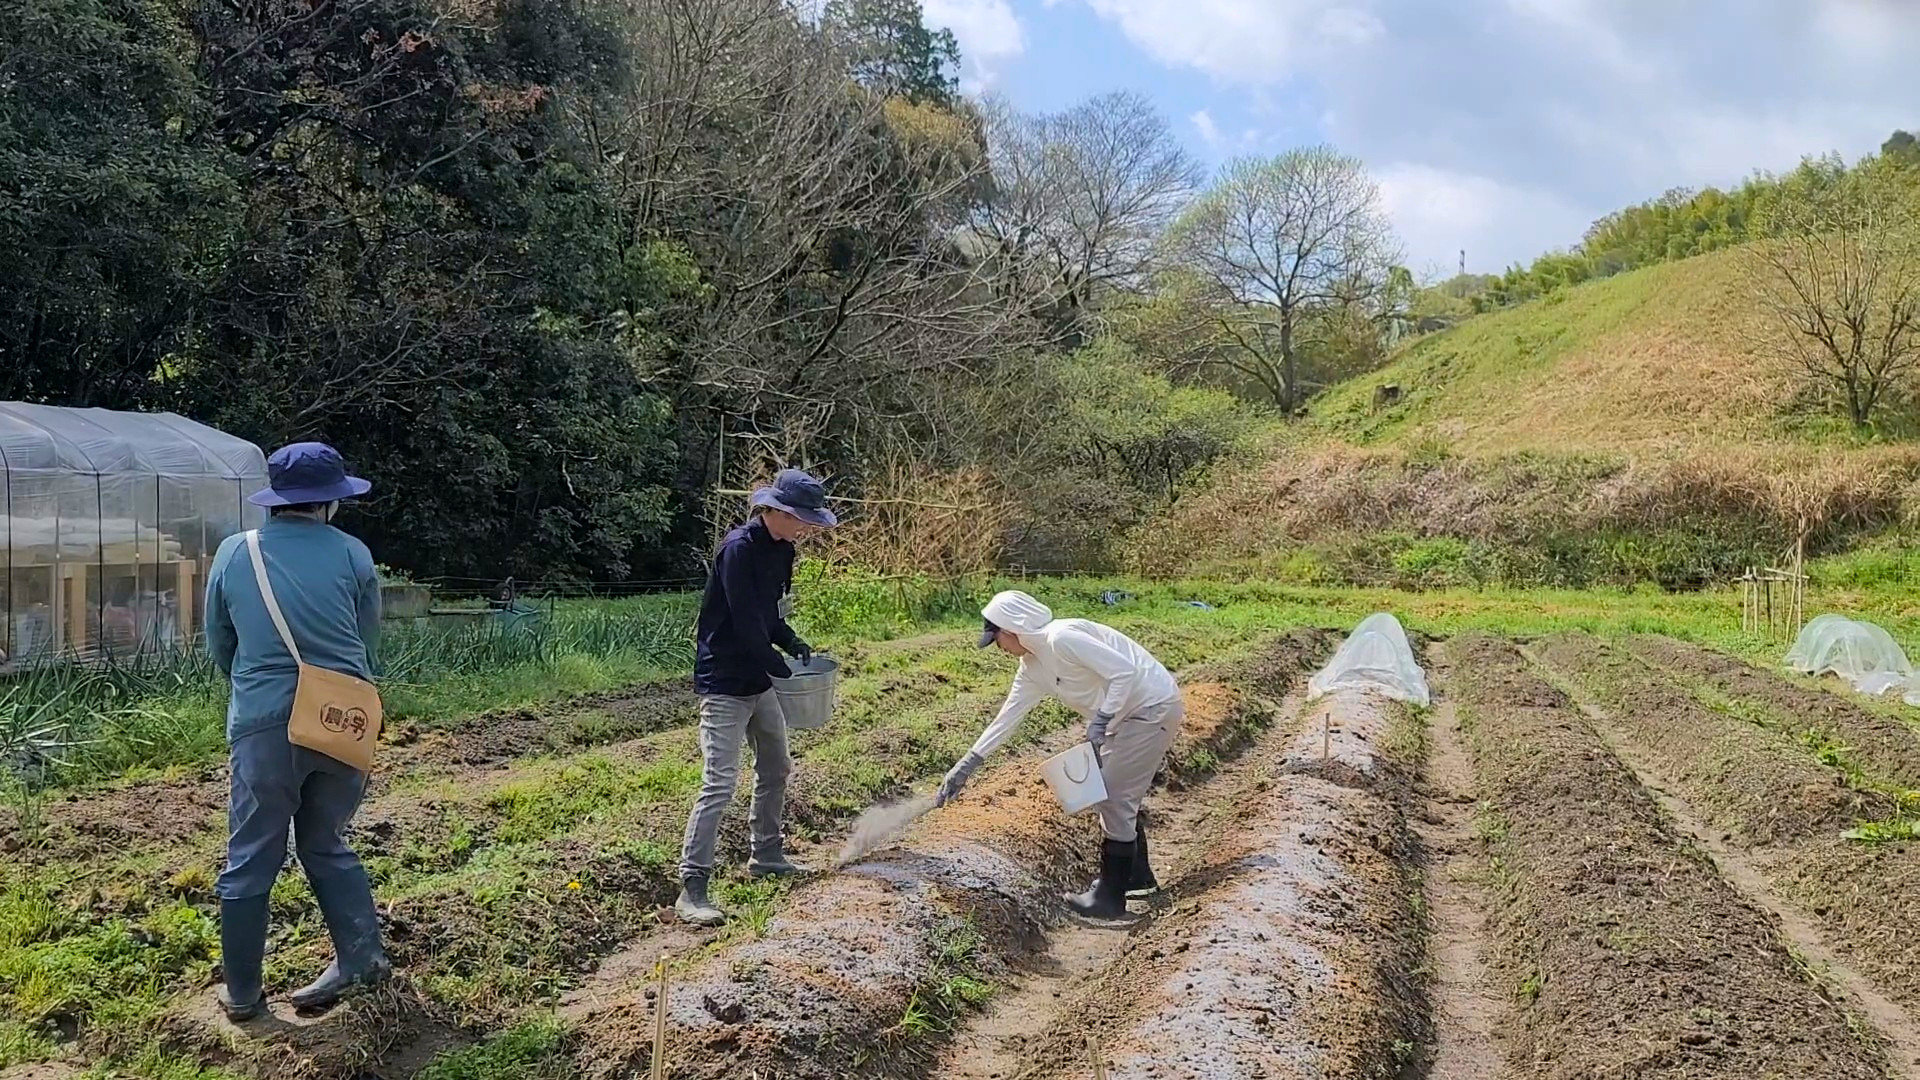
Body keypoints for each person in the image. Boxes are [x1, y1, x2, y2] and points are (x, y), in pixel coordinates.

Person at [204, 442, 386, 1020]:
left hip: (265, 722)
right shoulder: (355, 555)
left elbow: (220, 644)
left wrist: (265, 690)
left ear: (276, 501)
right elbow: (368, 644)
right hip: (344, 718)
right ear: (331, 501)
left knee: (252, 854)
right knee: (325, 839)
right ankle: (362, 960)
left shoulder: (236, 553)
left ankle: (241, 995)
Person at [936, 591, 1183, 921]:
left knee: (1113, 797)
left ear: (1012, 630)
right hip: (1121, 718)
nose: (1000, 649)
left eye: (997, 640)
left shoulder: (1062, 638)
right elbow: (1008, 716)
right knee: (1110, 795)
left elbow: (1124, 673)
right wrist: (968, 764)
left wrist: (1102, 719)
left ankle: (1110, 899)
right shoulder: (1033, 665)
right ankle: (1136, 880)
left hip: (1150, 708)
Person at [676, 469, 838, 927]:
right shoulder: (737, 551)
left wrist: (791, 642)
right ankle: (692, 887)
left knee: (777, 766)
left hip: (759, 678)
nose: (807, 529)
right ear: (776, 512)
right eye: (802, 519)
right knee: (719, 783)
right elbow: (745, 624)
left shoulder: (782, 551)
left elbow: (769, 615)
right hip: (726, 680)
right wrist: (779, 667)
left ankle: (766, 854)